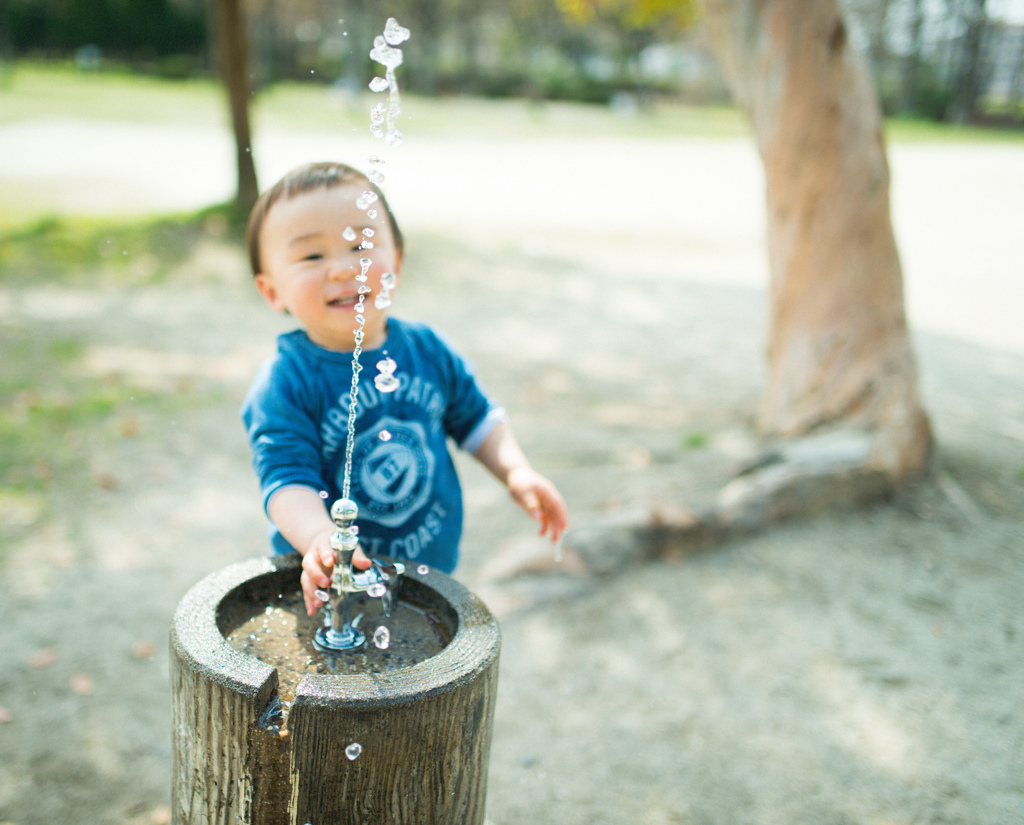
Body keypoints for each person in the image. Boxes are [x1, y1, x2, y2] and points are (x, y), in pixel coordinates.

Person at [242, 162, 568, 615]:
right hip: (330, 585)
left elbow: (476, 419)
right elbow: (287, 481)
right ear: (271, 290)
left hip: (428, 573)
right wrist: (320, 538)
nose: (341, 268)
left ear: (395, 260)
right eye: (312, 257)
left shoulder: (426, 350)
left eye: (361, 245)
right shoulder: (286, 382)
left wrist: (516, 471)